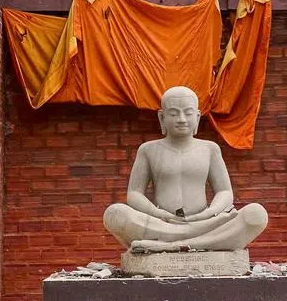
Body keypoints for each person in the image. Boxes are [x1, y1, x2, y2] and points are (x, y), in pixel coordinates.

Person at [103, 85, 268, 253]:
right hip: (163, 225)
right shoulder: (148, 150)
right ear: (162, 117)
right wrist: (158, 214)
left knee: (256, 214)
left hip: (205, 223)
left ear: (197, 117)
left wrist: (209, 213)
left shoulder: (210, 149)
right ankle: (202, 243)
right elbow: (134, 194)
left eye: (188, 113)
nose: (181, 119)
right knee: (115, 214)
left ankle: (169, 246)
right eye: (174, 114)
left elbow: (225, 192)